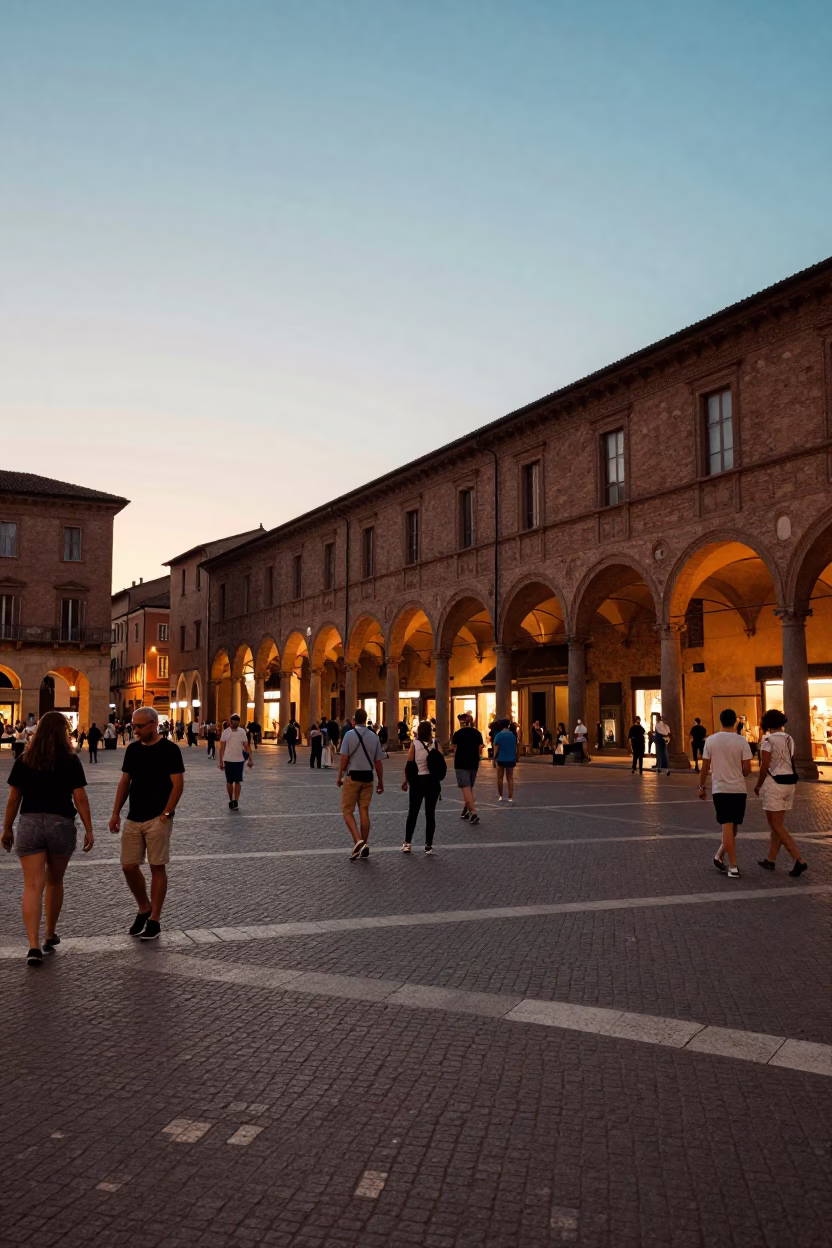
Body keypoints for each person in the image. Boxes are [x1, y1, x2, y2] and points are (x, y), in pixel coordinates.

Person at [2, 711, 94, 965]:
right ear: (63, 732)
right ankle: (49, 934)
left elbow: (13, 799)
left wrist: (7, 828)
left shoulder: (25, 759)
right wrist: (88, 828)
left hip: (30, 822)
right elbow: (80, 797)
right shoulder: (70, 760)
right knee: (54, 881)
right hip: (60, 822)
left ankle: (33, 946)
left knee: (32, 885)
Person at [108, 707, 185, 940]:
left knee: (157, 867)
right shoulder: (132, 750)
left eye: (140, 726)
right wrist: (115, 813)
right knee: (128, 866)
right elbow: (124, 783)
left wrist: (167, 813)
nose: (137, 730)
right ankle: (144, 907)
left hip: (157, 818)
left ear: (154, 724)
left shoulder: (170, 750)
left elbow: (178, 784)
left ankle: (155, 920)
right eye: (134, 726)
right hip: (134, 816)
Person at [698, 707, 752, 879]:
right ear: (735, 722)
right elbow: (748, 769)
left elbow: (705, 767)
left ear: (720, 720)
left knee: (731, 827)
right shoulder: (741, 741)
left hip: (720, 789)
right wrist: (738, 773)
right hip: (738, 788)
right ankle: (733, 866)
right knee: (730, 826)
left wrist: (701, 786)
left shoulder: (711, 740)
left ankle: (719, 855)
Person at [754, 709, 807, 877]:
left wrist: (758, 784)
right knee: (776, 824)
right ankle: (770, 860)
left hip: (774, 784)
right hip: (789, 783)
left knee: (776, 825)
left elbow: (764, 766)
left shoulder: (767, 740)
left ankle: (799, 860)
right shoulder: (790, 739)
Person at [337, 707, 384, 859]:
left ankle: (359, 842)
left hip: (352, 778)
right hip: (368, 778)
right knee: (364, 811)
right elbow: (378, 762)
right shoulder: (374, 737)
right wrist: (381, 782)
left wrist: (339, 776)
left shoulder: (349, 735)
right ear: (365, 719)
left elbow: (344, 758)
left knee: (347, 811)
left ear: (354, 720)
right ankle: (364, 844)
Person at [401, 719, 443, 854]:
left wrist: (405, 780)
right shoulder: (436, 744)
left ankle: (407, 843)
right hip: (432, 782)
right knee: (430, 814)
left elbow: (409, 764)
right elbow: (441, 763)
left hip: (418, 781)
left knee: (413, 812)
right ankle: (428, 845)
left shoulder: (415, 744)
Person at [451, 712, 483, 824]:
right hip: (474, 762)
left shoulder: (458, 734)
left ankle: (473, 812)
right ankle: (465, 810)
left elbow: (454, 748)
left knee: (465, 787)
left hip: (461, 763)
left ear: (461, 722)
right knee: (469, 788)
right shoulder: (477, 733)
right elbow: (480, 748)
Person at [219, 713, 253, 808]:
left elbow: (246, 746)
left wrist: (250, 758)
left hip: (239, 760)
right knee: (229, 781)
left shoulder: (242, 732)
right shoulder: (226, 732)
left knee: (238, 781)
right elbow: (221, 747)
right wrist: (221, 761)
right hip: (228, 760)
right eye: (234, 723)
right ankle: (231, 799)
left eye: (237, 723)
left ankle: (236, 800)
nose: (236, 725)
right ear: (230, 722)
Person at [493, 718, 517, 803]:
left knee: (500, 778)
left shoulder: (498, 735)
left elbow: (496, 749)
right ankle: (510, 797)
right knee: (510, 778)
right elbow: (515, 748)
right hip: (510, 759)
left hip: (501, 759)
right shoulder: (513, 735)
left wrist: (494, 758)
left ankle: (501, 796)